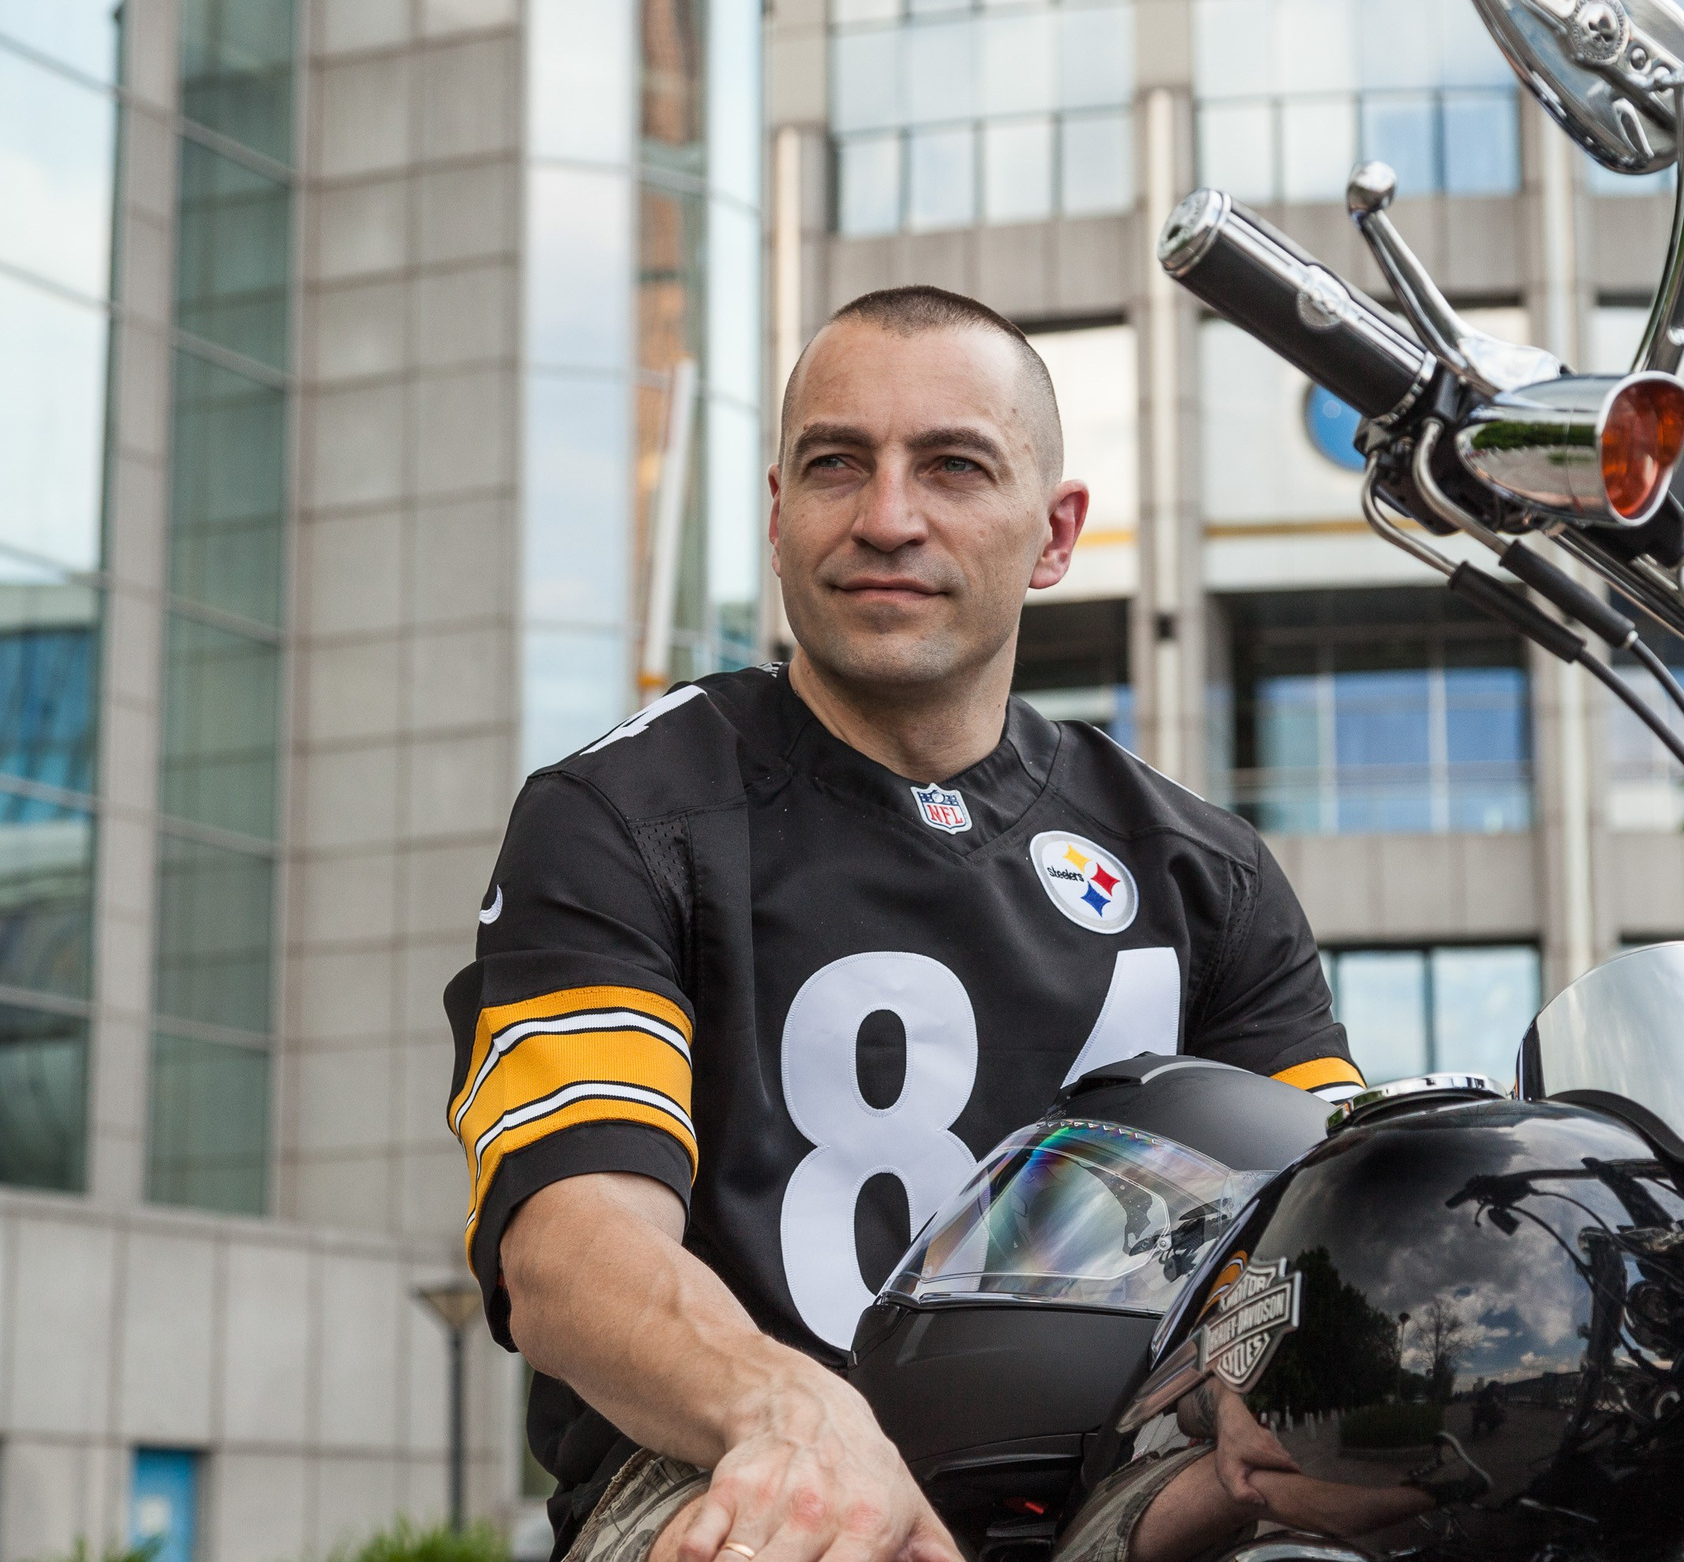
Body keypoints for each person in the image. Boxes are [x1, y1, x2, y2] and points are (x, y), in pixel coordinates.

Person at [443, 287, 1364, 1562]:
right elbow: (570, 1246)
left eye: (952, 467)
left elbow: (1328, 1229)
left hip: (1109, 1488)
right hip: (731, 1463)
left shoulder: (1205, 870)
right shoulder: (623, 814)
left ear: (1055, 534)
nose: (886, 517)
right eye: (836, 464)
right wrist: (793, 1415)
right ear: (777, 517)